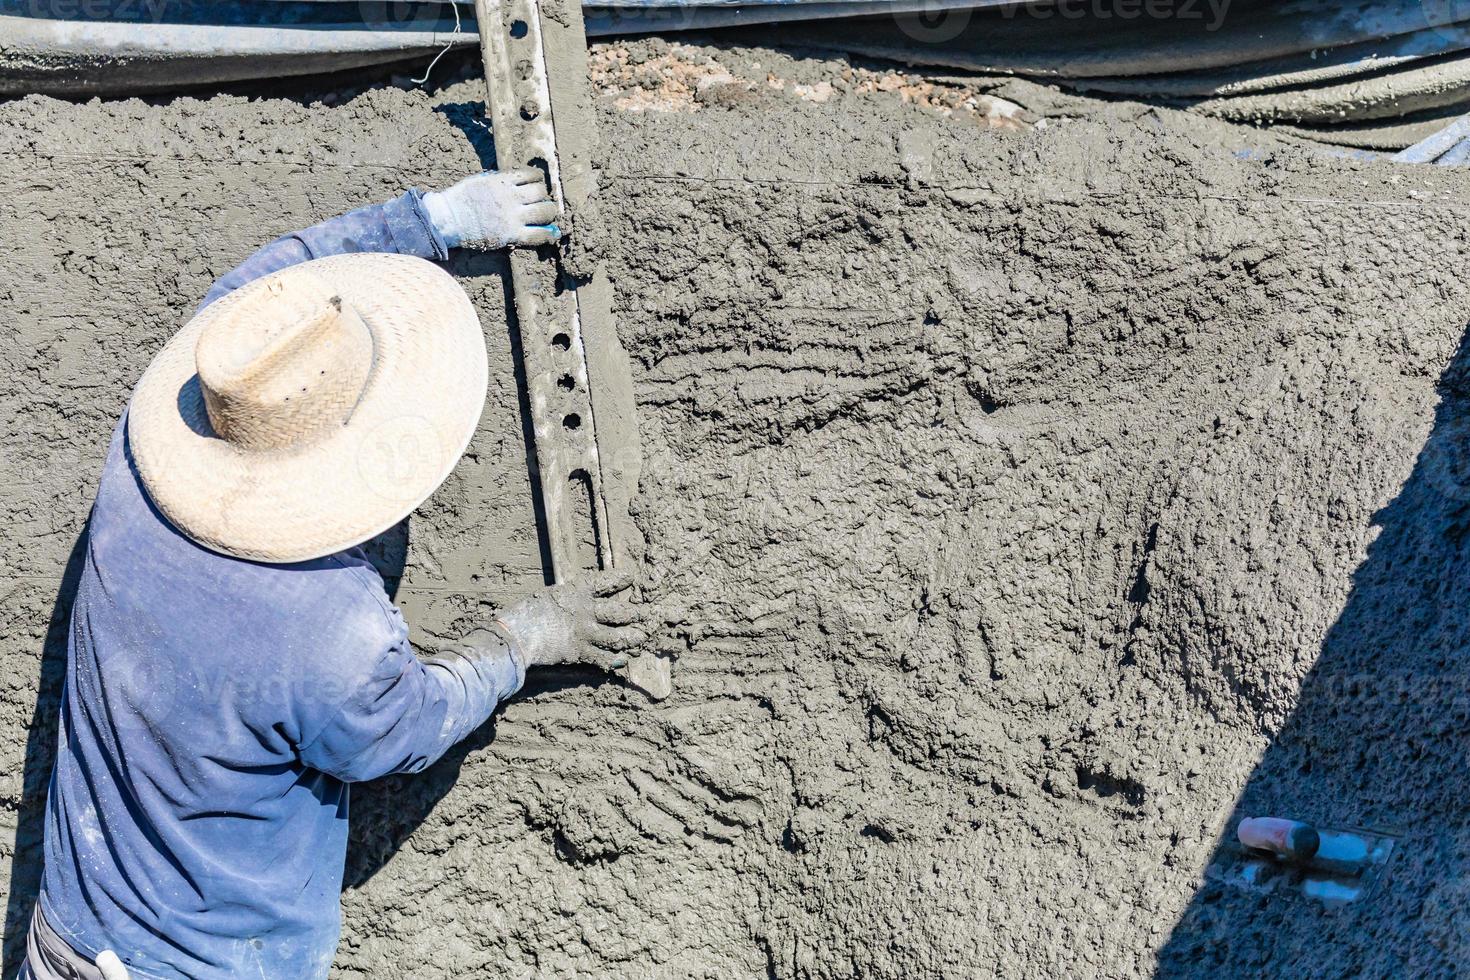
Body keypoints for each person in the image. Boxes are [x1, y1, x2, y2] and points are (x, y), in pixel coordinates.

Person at [20, 170, 650, 979]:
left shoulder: (143, 462)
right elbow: (407, 725)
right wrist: (521, 642)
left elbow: (253, 306)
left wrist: (433, 220)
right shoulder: (330, 631)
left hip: (65, 938)